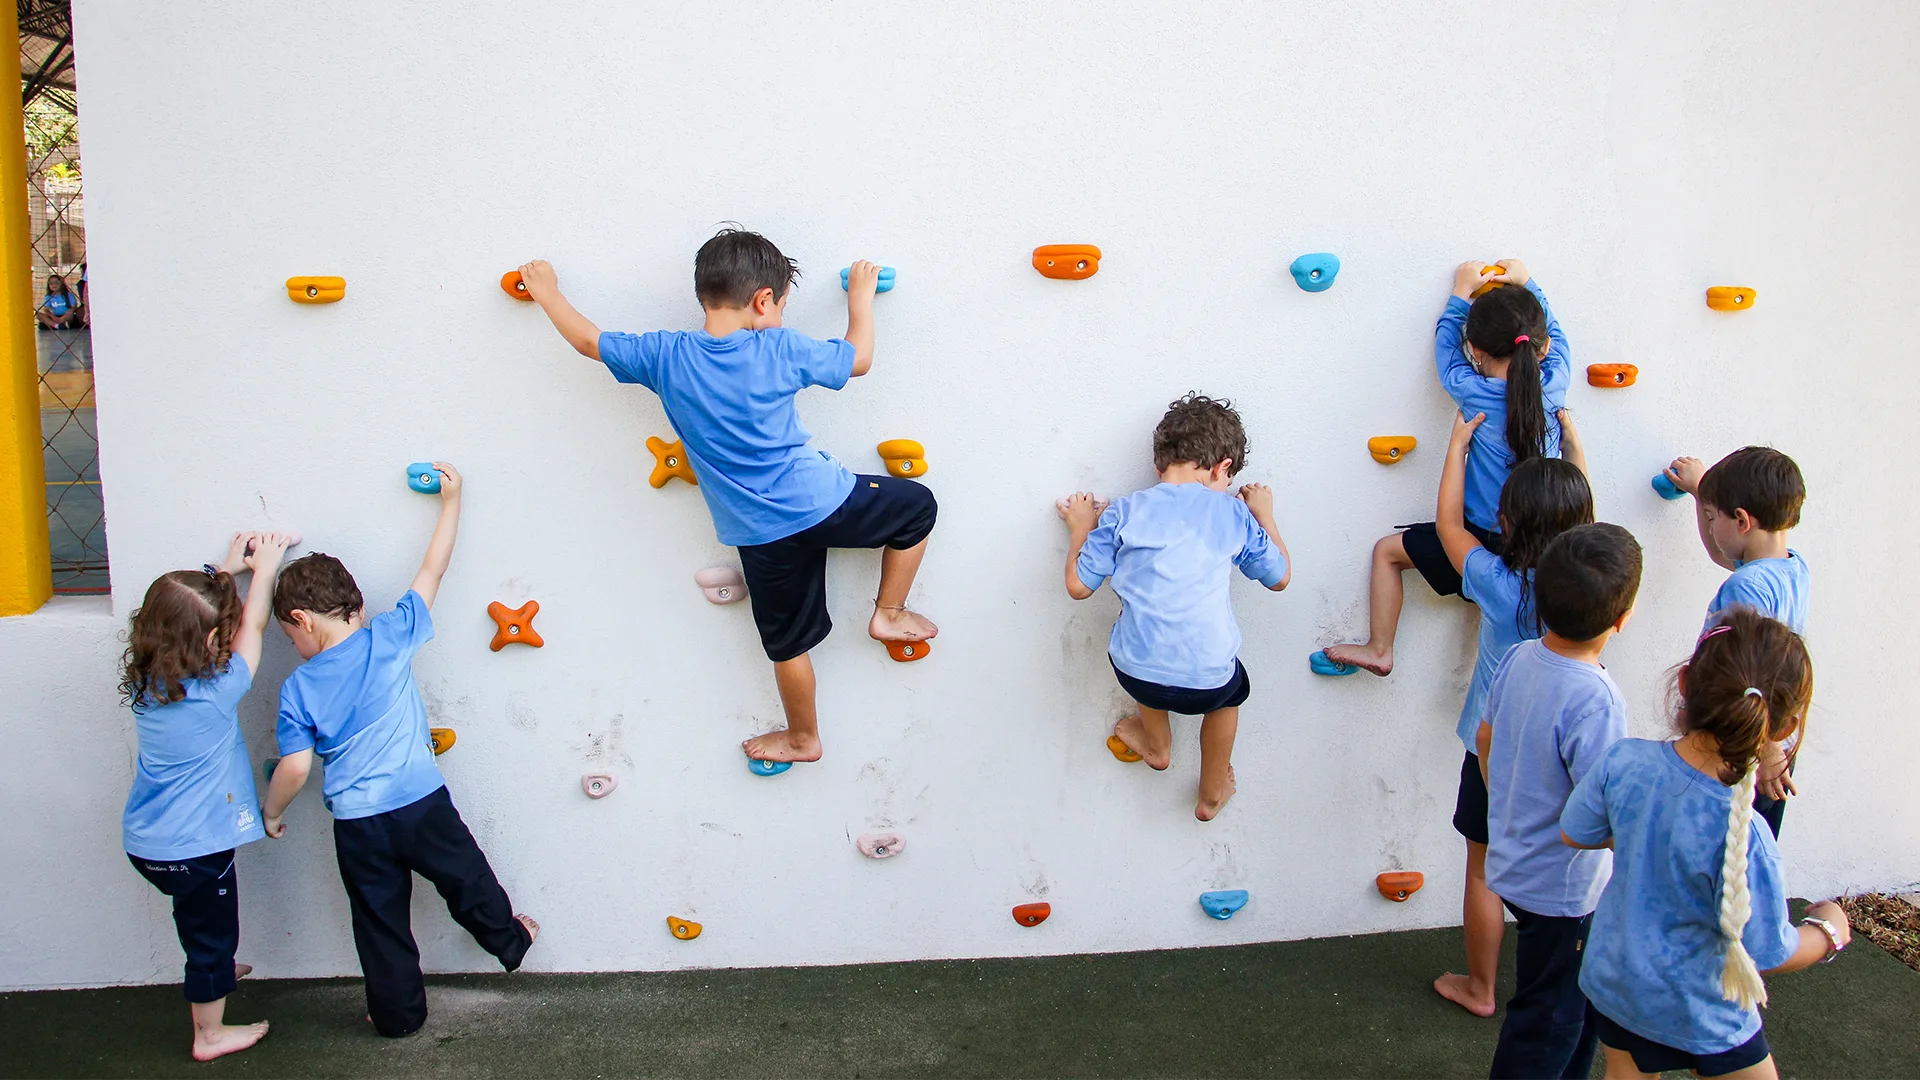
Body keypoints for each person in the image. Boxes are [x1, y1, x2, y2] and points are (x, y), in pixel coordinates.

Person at [516, 229, 936, 767]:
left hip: (758, 532)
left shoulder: (666, 355)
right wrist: (860, 298)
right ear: (764, 301)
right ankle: (889, 613)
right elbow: (856, 360)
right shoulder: (777, 347)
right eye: (783, 304)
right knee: (918, 506)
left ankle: (804, 739)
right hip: (824, 502)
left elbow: (589, 341)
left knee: (787, 646)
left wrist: (547, 291)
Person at [260, 464, 537, 1038]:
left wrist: (272, 811)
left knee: (380, 924)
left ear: (301, 620)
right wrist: (451, 502)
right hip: (422, 806)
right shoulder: (388, 635)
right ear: (355, 610)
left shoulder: (297, 689)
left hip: (360, 827)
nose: (293, 649)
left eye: (289, 639)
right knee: (467, 876)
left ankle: (397, 1016)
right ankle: (509, 940)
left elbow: (295, 766)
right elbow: (433, 569)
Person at [1563, 610, 1850, 1079]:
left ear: (1685, 682)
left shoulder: (1625, 760)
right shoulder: (1747, 834)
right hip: (1702, 1010)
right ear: (1782, 728)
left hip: (1618, 982)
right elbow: (1768, 950)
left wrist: (1648, 839)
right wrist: (1828, 934)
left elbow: (1575, 831)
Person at [1319, 259, 1570, 676]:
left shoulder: (1471, 392)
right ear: (1539, 347)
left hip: (1476, 543)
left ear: (1476, 350)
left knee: (1387, 553)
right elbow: (1557, 336)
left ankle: (1381, 648)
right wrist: (1529, 283)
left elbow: (1445, 351)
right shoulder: (1556, 382)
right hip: (1538, 555)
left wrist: (1459, 293)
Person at [1429, 410, 1593, 1019]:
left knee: (1482, 869)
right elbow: (1587, 524)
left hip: (1491, 748)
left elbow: (1448, 523)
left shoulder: (1498, 582)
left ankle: (1480, 986)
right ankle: (1558, 982)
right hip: (1563, 756)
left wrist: (1457, 449)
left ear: (1503, 522)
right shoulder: (1590, 592)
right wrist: (1574, 443)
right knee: (1561, 870)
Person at [1059, 393, 1291, 820]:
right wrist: (1264, 515)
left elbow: (1078, 586)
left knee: (1142, 643)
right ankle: (1211, 791)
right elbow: (1279, 578)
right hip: (1209, 680)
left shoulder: (1124, 512)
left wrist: (1081, 527)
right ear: (1223, 468)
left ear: (1159, 465)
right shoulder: (1233, 514)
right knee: (1229, 697)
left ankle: (1157, 744)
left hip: (1137, 674)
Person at [120, 529, 295, 1061]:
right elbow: (257, 626)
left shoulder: (148, 685)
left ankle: (213, 964)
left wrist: (223, 574)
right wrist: (264, 572)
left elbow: (189, 612)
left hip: (150, 844)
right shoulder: (218, 694)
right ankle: (210, 1033)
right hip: (196, 854)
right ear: (203, 644)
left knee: (197, 919)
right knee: (211, 939)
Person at [1479, 522, 1642, 1079]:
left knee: (1576, 1008)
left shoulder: (1520, 657)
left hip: (1518, 860)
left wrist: (1508, 799)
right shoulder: (1596, 697)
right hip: (1565, 889)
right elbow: (1602, 803)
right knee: (1549, 1021)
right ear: (1622, 619)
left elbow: (1486, 738)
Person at [1664, 447, 1808, 836]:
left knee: (1727, 852)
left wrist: (1767, 750)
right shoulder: (1790, 567)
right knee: (1754, 851)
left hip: (1744, 744)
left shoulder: (1746, 588)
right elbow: (1721, 550)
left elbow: (1758, 668)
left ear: (1742, 520)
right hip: (1773, 735)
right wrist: (1701, 495)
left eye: (1714, 518)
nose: (1710, 528)